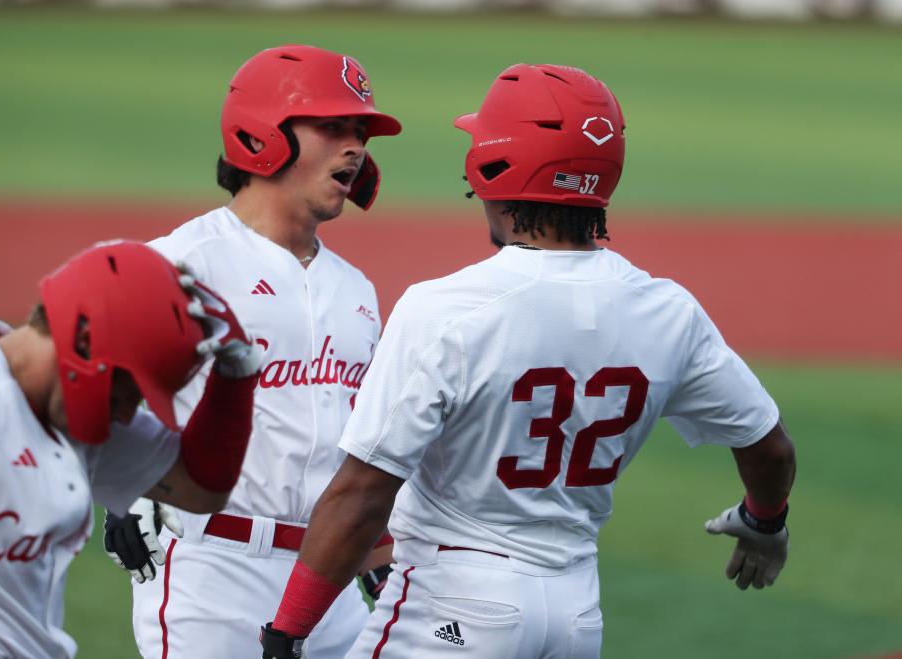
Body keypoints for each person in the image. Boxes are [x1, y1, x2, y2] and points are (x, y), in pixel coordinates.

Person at [259, 63, 797, 659]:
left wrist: (287, 632)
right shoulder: (668, 311)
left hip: (452, 605)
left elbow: (361, 494)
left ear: (492, 167)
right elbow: (768, 445)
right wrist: (764, 521)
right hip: (576, 614)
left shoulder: (447, 308)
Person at [101, 44, 402, 658]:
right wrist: (125, 494)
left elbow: (357, 449)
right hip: (211, 575)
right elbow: (99, 400)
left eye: (361, 131)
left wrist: (376, 559)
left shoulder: (357, 290)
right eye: (333, 126)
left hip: (328, 587)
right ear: (265, 133)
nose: (356, 147)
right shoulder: (182, 262)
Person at [0, 240, 261, 659]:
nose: (129, 414)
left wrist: (234, 378)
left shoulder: (75, 416)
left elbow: (201, 489)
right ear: (84, 339)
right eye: (129, 391)